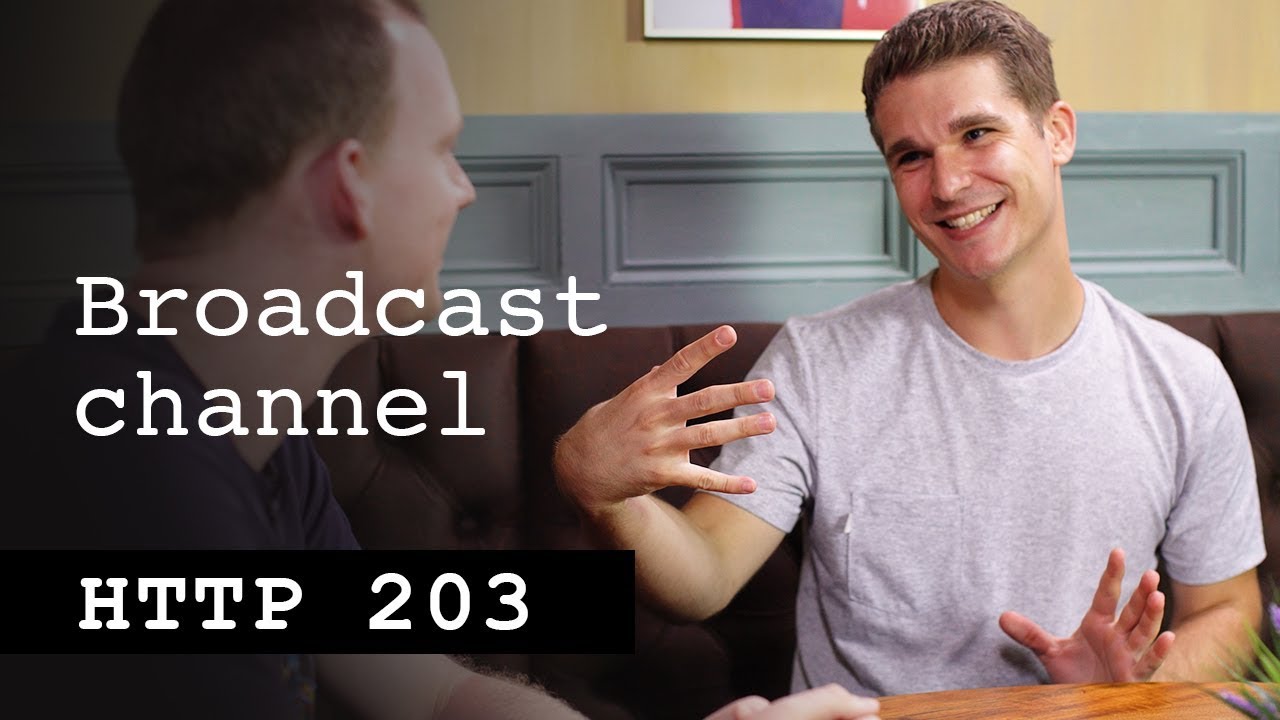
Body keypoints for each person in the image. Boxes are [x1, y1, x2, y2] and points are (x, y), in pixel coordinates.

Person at [0, 1, 881, 719]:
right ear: (349, 185)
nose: (464, 189)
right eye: (441, 150)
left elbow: (429, 693)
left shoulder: (247, 434)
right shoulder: (126, 485)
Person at [555, 0, 1264, 698]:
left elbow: (1229, 609)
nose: (948, 185)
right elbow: (704, 575)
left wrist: (1129, 694)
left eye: (977, 133)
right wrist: (607, 498)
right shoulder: (817, 364)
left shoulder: (1184, 380)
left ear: (1057, 133)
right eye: (912, 156)